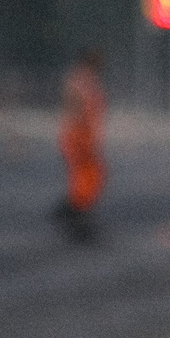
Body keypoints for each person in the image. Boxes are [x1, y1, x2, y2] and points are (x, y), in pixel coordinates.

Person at [55, 47, 106, 241]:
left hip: (82, 136)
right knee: (87, 177)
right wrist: (82, 139)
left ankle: (72, 212)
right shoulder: (80, 80)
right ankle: (74, 215)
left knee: (91, 177)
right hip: (78, 137)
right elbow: (75, 109)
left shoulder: (85, 80)